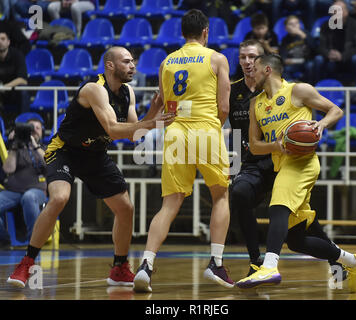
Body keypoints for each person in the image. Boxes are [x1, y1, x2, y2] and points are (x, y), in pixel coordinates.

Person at [7, 46, 175, 288]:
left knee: (126, 208)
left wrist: (155, 109)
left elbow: (133, 133)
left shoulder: (128, 92)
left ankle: (119, 268)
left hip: (94, 154)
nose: (133, 66)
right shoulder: (94, 89)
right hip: (65, 151)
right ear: (110, 65)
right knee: (59, 199)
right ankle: (26, 263)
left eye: (133, 61)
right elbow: (113, 129)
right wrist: (151, 122)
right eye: (126, 61)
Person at [235, 53, 356, 293]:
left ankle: (269, 265)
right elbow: (254, 145)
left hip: (303, 162)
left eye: (254, 68)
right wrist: (275, 146)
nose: (249, 71)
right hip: (282, 165)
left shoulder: (298, 90)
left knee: (277, 207)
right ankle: (353, 261)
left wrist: (321, 125)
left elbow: (335, 110)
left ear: (268, 70)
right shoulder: (256, 103)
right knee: (296, 240)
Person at [133, 9, 233, 293]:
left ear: (181, 34)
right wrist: (214, 126)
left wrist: (142, 127)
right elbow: (224, 107)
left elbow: (160, 101)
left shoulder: (167, 61)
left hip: (175, 131)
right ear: (206, 32)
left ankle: (146, 265)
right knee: (220, 195)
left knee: (170, 203)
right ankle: (215, 262)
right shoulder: (216, 58)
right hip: (205, 128)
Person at [229, 39, 276, 276]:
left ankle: (337, 256)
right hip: (250, 162)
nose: (247, 62)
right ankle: (255, 259)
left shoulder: (274, 88)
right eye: (242, 57)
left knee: (298, 226)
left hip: (279, 158)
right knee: (239, 193)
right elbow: (225, 129)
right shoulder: (232, 90)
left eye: (252, 57)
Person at [0, 118, 46, 247]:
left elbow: (49, 164)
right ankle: (4, 240)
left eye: (37, 128)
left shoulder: (44, 148)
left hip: (37, 191)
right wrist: (14, 146)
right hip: (13, 191)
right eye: (31, 127)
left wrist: (34, 145)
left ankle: (33, 243)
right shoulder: (17, 149)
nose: (34, 130)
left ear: (42, 132)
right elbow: (8, 169)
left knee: (29, 197)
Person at [313, 0, 356, 84]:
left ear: (346, 12)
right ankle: (317, 88)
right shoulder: (325, 26)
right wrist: (328, 54)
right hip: (330, 59)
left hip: (348, 59)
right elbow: (320, 47)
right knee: (318, 59)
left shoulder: (355, 25)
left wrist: (342, 56)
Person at [0, 30, 30, 117]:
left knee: (23, 90)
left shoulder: (17, 55)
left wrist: (5, 87)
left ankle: (24, 122)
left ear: (8, 42)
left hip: (14, 92)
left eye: (3, 39)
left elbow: (23, 80)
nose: (0, 42)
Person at [279, 15, 315, 82]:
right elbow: (283, 56)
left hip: (306, 61)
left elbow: (314, 48)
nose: (294, 26)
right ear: (286, 28)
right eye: (291, 24)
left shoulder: (306, 34)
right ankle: (291, 87)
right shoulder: (285, 39)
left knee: (310, 66)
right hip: (294, 63)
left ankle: (309, 86)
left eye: (296, 23)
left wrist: (303, 35)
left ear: (300, 25)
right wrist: (286, 60)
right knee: (284, 69)